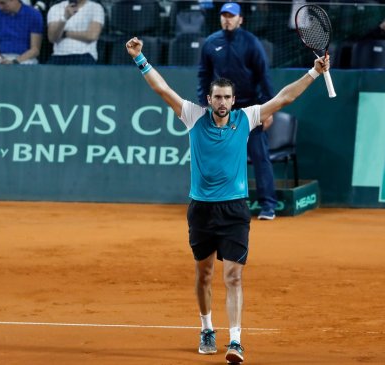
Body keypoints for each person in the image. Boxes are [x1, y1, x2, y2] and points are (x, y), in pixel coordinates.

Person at [125, 36, 329, 364]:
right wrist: (139, 59)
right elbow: (162, 89)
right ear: (209, 98)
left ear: (234, 101)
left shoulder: (245, 119)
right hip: (201, 210)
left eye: (226, 97)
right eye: (217, 97)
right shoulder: (193, 115)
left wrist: (314, 73)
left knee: (233, 276)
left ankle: (236, 341)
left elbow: (283, 98)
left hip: (234, 209)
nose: (221, 102)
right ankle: (206, 327)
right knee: (204, 274)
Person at [197, 2, 278, 220]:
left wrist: (267, 109)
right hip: (222, 110)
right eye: (224, 15)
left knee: (259, 156)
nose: (227, 19)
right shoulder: (211, 43)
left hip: (249, 109)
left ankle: (268, 206)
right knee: (218, 157)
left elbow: (263, 77)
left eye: (231, 16)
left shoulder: (251, 43)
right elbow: (204, 76)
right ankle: (217, 203)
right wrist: (203, 106)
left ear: (240, 19)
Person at [0, 0, 43, 65]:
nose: (0, 7)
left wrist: (15, 61)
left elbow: (35, 49)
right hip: (0, 58)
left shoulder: (34, 14)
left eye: (2, 3)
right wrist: (0, 60)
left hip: (25, 59)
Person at [45, 0, 104, 65]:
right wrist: (65, 17)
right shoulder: (55, 8)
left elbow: (92, 36)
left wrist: (65, 33)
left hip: (84, 55)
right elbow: (52, 38)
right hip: (58, 55)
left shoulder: (96, 8)